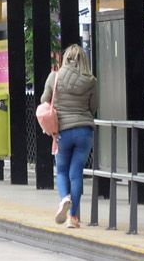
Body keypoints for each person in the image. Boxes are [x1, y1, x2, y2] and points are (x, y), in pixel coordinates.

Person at [43, 43, 97, 229]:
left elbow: (44, 101)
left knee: (62, 170)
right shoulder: (90, 80)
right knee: (76, 173)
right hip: (84, 131)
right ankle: (73, 217)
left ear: (65, 58)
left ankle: (64, 198)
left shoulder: (54, 77)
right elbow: (93, 107)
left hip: (63, 131)